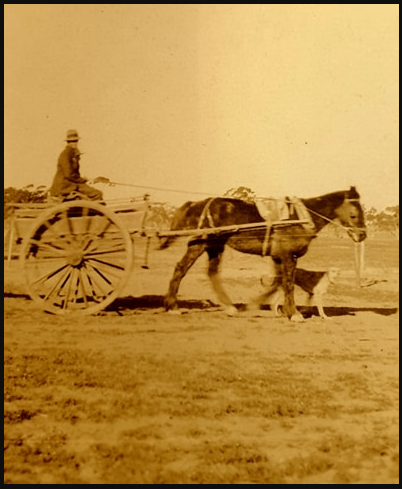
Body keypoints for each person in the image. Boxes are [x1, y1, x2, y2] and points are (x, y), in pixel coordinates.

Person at [48, 129, 103, 201]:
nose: (74, 143)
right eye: (71, 141)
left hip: (71, 183)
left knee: (93, 193)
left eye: (76, 141)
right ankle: (93, 211)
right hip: (65, 185)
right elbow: (69, 175)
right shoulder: (65, 155)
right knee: (97, 194)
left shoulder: (73, 154)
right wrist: (82, 180)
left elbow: (73, 174)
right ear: (67, 142)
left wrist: (85, 179)